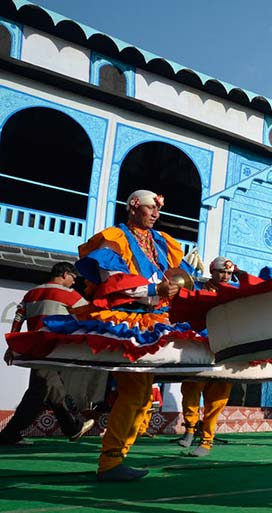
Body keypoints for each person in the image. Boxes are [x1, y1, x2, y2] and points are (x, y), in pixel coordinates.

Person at [75, 189, 193, 482]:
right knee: (133, 392)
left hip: (155, 320)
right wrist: (154, 291)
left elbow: (178, 276)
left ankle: (115, 459)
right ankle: (111, 461)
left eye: (158, 210)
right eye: (151, 208)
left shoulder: (161, 243)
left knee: (141, 396)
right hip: (128, 320)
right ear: (133, 207)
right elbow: (111, 282)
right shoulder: (115, 237)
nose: (156, 214)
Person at [0, 262, 96, 445]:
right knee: (42, 392)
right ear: (65, 274)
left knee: (45, 390)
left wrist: (13, 345)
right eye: (73, 278)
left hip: (34, 350)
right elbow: (91, 316)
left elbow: (18, 318)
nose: (74, 282)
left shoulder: (31, 293)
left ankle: (71, 428)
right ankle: (72, 428)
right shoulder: (68, 294)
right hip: (54, 350)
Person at [176, 257, 235, 456]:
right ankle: (190, 430)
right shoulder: (198, 289)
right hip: (200, 345)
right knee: (191, 388)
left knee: (218, 397)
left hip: (226, 348)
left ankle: (207, 441)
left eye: (228, 273)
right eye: (221, 272)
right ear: (212, 271)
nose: (225, 276)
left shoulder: (236, 293)